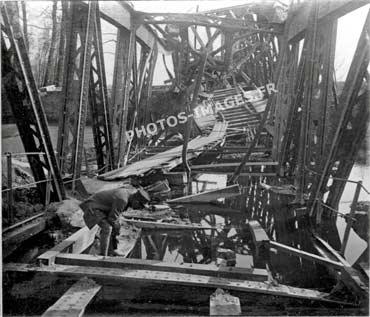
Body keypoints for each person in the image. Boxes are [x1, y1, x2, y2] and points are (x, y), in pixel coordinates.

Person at [80, 187, 150, 256]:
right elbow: (112, 219)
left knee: (115, 226)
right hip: (92, 207)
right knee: (107, 228)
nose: (138, 208)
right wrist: (117, 227)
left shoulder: (129, 196)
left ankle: (112, 250)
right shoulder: (122, 200)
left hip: (102, 208)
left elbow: (115, 217)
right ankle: (103, 255)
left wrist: (117, 226)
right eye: (139, 206)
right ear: (136, 201)